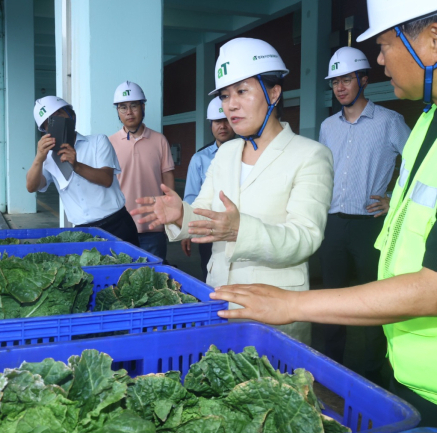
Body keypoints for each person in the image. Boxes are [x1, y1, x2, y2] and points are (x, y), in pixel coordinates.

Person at [210, 1, 437, 431]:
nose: (378, 60)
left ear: (435, 40)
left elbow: (436, 291)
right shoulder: (434, 119)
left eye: (385, 45)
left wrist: (292, 303)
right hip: (416, 369)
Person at [131, 38, 334, 344]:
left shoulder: (310, 155)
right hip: (219, 298)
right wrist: (179, 216)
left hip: (274, 311)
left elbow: (305, 237)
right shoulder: (225, 153)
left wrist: (240, 230)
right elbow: (204, 215)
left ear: (274, 92)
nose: (231, 105)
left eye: (242, 91)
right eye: (226, 96)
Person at [317, 46, 411, 387]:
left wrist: (393, 200)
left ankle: (372, 374)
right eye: (335, 81)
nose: (340, 86)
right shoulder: (328, 127)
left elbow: (415, 163)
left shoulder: (389, 121)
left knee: (375, 300)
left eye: (347, 79)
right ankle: (330, 367)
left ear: (364, 80)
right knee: (330, 298)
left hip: (370, 226)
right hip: (334, 225)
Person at [27, 96, 139, 246]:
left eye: (58, 116)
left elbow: (106, 179)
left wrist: (77, 165)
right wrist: (39, 158)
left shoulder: (98, 142)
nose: (55, 125)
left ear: (72, 116)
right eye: (49, 123)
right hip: (82, 232)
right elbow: (32, 186)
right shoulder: (47, 158)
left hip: (117, 224)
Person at [109, 81, 175, 260]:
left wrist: (169, 218)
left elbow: (168, 180)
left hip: (153, 226)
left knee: (153, 278)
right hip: (120, 227)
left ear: (143, 106)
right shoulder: (110, 143)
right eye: (123, 107)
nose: (129, 112)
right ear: (118, 111)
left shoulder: (159, 140)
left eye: (134, 105)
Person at [181, 96, 236, 282]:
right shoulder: (200, 158)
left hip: (239, 226)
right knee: (211, 274)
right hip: (209, 229)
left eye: (226, 120)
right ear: (210, 124)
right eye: (217, 122)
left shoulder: (249, 151)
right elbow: (191, 196)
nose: (222, 126)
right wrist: (187, 229)